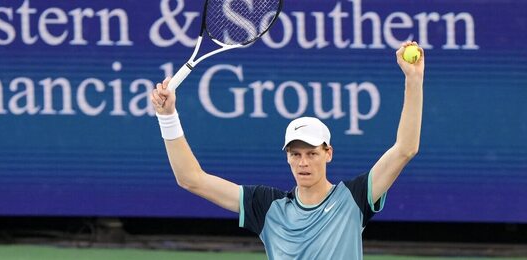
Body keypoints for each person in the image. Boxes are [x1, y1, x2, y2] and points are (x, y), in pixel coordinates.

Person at [150, 41, 424, 259]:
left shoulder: (354, 198)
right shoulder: (267, 206)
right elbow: (191, 179)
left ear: (328, 153)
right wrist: (167, 116)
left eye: (312, 153)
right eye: (296, 154)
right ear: (288, 157)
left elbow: (405, 149)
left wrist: (413, 80)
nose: (303, 162)